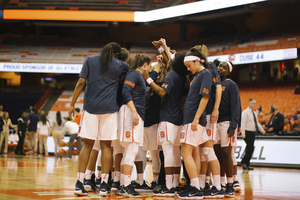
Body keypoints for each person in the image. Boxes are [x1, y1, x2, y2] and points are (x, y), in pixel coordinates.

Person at [69, 42, 129, 196]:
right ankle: (103, 185)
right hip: (109, 109)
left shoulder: (89, 60)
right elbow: (133, 67)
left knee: (87, 145)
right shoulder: (120, 65)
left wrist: (72, 104)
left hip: (90, 108)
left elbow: (81, 82)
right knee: (106, 147)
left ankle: (79, 183)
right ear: (117, 53)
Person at [142, 52, 188, 196]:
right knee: (175, 153)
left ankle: (168, 186)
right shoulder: (180, 76)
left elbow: (162, 92)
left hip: (168, 118)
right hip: (178, 118)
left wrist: (147, 79)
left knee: (168, 152)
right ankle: (174, 184)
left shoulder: (171, 75)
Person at [179, 48, 212, 199]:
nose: (188, 68)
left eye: (189, 65)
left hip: (193, 119)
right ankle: (196, 185)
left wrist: (196, 118)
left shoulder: (205, 74)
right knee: (194, 152)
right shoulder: (198, 75)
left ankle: (195, 187)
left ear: (197, 61)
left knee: (185, 152)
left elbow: (205, 98)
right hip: (192, 118)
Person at [118, 54, 151, 197]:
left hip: (135, 113)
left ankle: (122, 184)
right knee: (131, 150)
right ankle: (126, 185)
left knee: (129, 151)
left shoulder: (138, 75)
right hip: (132, 113)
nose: (150, 68)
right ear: (144, 64)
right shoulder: (133, 74)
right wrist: (134, 112)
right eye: (149, 66)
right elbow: (126, 92)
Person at [213, 60, 241, 197]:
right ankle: (222, 183)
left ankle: (230, 184)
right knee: (217, 155)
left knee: (226, 154)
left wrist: (233, 125)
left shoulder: (232, 85)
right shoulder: (215, 84)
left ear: (229, 72)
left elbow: (236, 106)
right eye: (219, 66)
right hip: (215, 123)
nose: (220, 68)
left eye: (224, 67)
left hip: (227, 123)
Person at [241, 99, 266, 170]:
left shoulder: (254, 113)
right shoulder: (245, 113)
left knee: (250, 148)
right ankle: (243, 162)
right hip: (247, 132)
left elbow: (257, 122)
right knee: (250, 147)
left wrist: (262, 130)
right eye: (254, 103)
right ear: (249, 104)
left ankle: (246, 164)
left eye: (255, 103)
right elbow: (243, 123)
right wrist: (243, 133)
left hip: (252, 132)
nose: (255, 105)